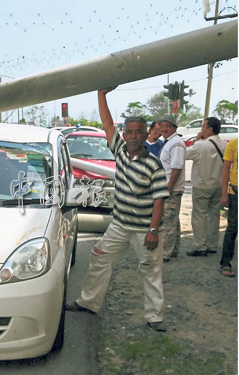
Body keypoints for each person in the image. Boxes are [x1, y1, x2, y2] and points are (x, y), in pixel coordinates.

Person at [66, 88, 170, 332]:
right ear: (125, 134)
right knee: (99, 257)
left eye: (138, 132)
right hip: (120, 225)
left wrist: (153, 230)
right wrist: (101, 95)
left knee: (151, 271)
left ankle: (155, 317)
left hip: (145, 229)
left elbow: (159, 200)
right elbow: (106, 122)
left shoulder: (154, 164)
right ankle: (88, 302)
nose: (133, 136)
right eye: (129, 131)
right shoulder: (120, 152)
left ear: (146, 135)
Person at [185, 117, 227, 257]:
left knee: (199, 216)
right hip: (219, 185)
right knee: (214, 216)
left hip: (202, 185)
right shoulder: (224, 145)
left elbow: (184, 154)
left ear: (209, 129)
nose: (201, 130)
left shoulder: (200, 145)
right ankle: (212, 245)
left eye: (203, 127)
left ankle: (200, 246)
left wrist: (197, 139)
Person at [158, 114, 186, 262]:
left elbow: (177, 167)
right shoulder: (169, 142)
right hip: (168, 186)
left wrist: (169, 187)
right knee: (173, 219)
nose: (164, 129)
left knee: (168, 220)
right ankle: (173, 250)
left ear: (174, 127)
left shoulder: (176, 143)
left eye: (167, 126)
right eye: (162, 126)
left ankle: (165, 253)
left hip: (171, 189)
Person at [219, 137, 238, 276]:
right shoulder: (234, 144)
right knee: (232, 228)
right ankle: (225, 263)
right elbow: (226, 169)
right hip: (236, 192)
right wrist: (224, 193)